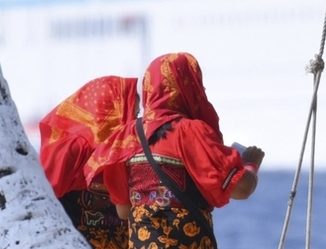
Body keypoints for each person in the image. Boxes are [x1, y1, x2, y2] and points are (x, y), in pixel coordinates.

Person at [96, 53, 264, 249]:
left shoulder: (125, 136)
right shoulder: (189, 132)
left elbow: (124, 211)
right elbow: (241, 188)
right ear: (187, 88)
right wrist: (251, 164)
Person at [38, 75, 140, 249]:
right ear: (110, 112)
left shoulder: (121, 147)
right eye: (132, 113)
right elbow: (42, 201)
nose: (134, 121)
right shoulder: (71, 148)